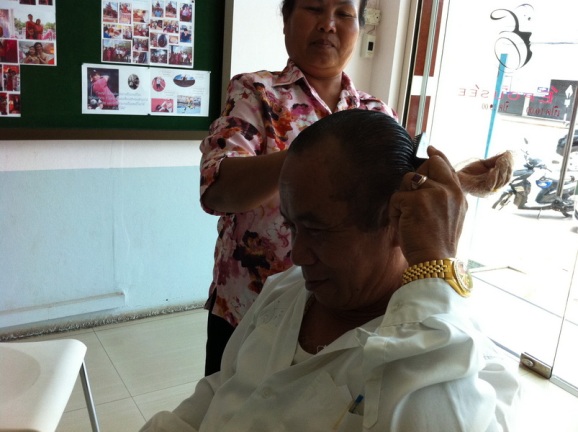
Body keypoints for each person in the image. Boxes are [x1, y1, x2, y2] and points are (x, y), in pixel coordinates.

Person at [141, 109, 519, 432]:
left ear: (396, 221)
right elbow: (224, 388)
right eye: (292, 227)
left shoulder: (465, 365)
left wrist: (435, 263)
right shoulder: (286, 291)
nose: (298, 254)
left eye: (318, 231)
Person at [199, 0, 513, 376]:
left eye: (344, 14)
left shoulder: (376, 112)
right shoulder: (256, 92)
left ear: (359, 28)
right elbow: (217, 190)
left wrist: (460, 180)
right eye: (313, 8)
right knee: (225, 399)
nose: (328, 25)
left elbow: (391, 197)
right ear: (286, 21)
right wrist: (315, 155)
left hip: (340, 314)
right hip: (248, 304)